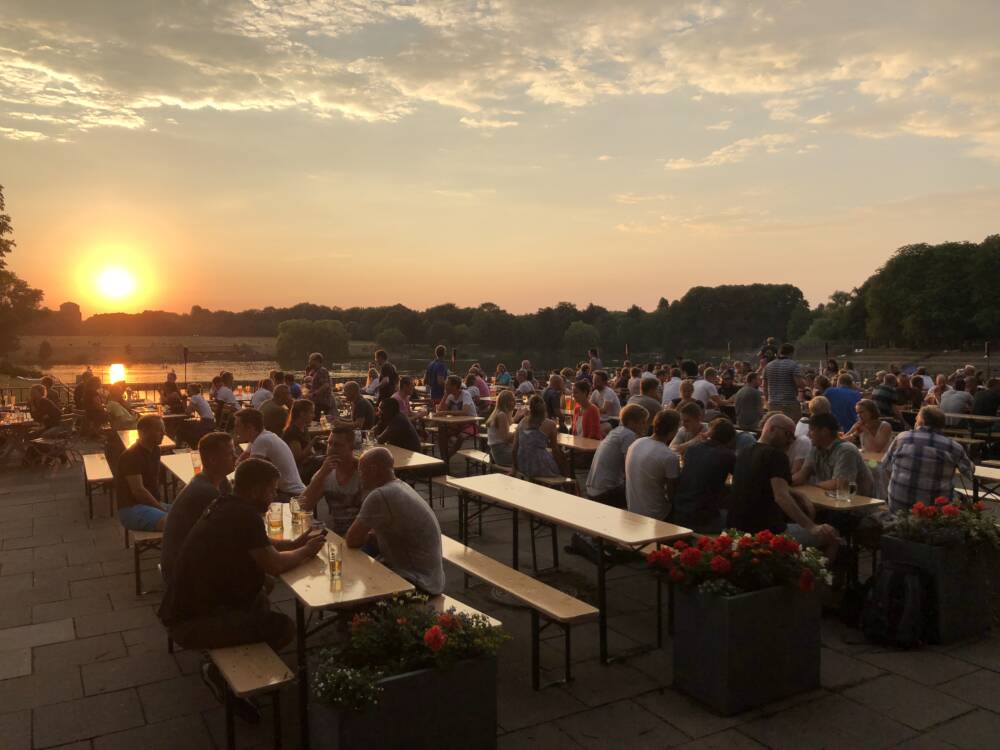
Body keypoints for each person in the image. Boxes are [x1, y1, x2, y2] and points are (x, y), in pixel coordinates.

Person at [159, 458, 325, 721]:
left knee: (259, 596)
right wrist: (305, 551)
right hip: (192, 621)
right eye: (272, 490)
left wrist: (297, 542)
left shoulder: (226, 504)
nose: (273, 496)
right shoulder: (244, 516)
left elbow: (263, 546)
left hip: (185, 606)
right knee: (284, 627)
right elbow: (274, 565)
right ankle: (220, 673)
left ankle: (239, 655)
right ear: (257, 490)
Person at [728, 414, 841, 559]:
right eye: (788, 434)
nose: (789, 441)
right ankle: (821, 577)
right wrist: (811, 527)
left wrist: (797, 493)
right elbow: (781, 497)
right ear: (772, 429)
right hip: (767, 532)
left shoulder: (744, 452)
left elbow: (765, 484)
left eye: (793, 437)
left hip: (737, 528)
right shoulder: (776, 456)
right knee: (833, 536)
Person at [346, 447, 445, 594]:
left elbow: (352, 540)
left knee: (349, 578)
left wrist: (366, 536)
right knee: (364, 556)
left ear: (373, 469)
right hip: (434, 578)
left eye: (361, 471)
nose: (359, 477)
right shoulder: (401, 486)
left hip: (419, 584)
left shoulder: (380, 495)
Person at [160, 432, 236, 584]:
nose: (235, 457)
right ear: (213, 460)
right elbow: (231, 534)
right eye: (230, 453)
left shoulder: (219, 482)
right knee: (259, 578)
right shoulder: (206, 492)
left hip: (191, 562)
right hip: (185, 574)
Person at [880, 406, 974, 514]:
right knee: (964, 501)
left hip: (898, 506)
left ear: (921, 421)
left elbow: (884, 465)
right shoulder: (954, 447)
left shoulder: (902, 438)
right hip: (934, 511)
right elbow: (970, 473)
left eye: (916, 420)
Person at [671, 417, 737, 533]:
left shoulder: (691, 450)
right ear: (730, 439)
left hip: (679, 511)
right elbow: (739, 479)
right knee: (733, 517)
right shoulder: (727, 455)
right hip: (703, 519)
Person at [792, 413, 874, 497]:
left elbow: (839, 484)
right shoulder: (816, 449)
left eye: (812, 430)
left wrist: (813, 486)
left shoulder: (846, 450)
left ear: (824, 431)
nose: (808, 434)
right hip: (833, 501)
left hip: (857, 505)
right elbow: (802, 474)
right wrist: (785, 482)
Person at [301, 426, 364, 533]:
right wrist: (321, 474)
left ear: (351, 447)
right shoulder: (325, 473)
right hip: (337, 536)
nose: (331, 448)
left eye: (338, 445)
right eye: (329, 443)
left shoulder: (363, 473)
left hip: (360, 536)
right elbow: (303, 506)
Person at [585, 404, 648, 507]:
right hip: (604, 493)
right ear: (632, 422)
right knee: (646, 491)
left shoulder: (616, 431)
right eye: (643, 422)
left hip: (592, 490)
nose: (645, 426)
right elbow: (628, 468)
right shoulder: (629, 435)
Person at [235, 408, 305, 498]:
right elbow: (243, 458)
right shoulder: (260, 437)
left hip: (289, 494)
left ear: (250, 427)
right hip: (290, 491)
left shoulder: (262, 440)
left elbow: (251, 473)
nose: (235, 430)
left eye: (237, 426)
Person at [115, 415, 169, 531]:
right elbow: (138, 491)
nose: (163, 433)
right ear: (143, 432)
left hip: (152, 505)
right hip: (131, 508)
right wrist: (160, 508)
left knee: (189, 514)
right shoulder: (131, 456)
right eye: (159, 430)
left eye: (163, 430)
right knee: (172, 523)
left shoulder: (156, 450)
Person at [625, 409, 681, 520]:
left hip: (632, 508)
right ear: (672, 432)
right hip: (656, 514)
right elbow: (672, 495)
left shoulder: (636, 443)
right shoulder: (669, 456)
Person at [512, 395, 566, 478]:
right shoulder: (550, 424)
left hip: (523, 464)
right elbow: (555, 450)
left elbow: (514, 448)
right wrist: (562, 468)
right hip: (539, 464)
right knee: (563, 460)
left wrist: (514, 468)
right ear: (544, 409)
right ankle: (568, 484)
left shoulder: (522, 421)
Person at [283, 399, 324, 482]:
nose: (313, 415)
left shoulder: (303, 428)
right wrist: (313, 442)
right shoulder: (292, 432)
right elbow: (298, 458)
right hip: (300, 470)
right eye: (311, 412)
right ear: (302, 414)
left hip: (309, 462)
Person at [761, 343, 804, 421]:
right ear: (791, 353)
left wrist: (768, 400)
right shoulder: (793, 365)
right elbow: (799, 384)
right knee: (792, 427)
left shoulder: (768, 366)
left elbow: (764, 386)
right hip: (789, 403)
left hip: (773, 403)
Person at [484, 390, 516, 466]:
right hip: (501, 453)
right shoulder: (501, 415)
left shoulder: (498, 413)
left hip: (497, 451)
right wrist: (518, 431)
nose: (514, 402)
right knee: (528, 456)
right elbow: (506, 438)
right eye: (512, 400)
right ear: (507, 402)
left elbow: (508, 425)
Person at [589, 370, 621, 435]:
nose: (594, 382)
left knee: (599, 430)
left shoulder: (608, 392)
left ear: (604, 382)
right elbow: (588, 406)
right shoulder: (595, 392)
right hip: (602, 419)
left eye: (597, 380)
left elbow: (604, 410)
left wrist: (593, 408)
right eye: (593, 379)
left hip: (613, 419)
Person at [306, 352, 334, 416]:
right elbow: (319, 385)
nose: (309, 361)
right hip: (318, 402)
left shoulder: (322, 371)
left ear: (317, 361)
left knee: (319, 420)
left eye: (311, 359)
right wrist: (310, 387)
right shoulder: (316, 371)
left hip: (322, 403)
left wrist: (314, 394)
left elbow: (325, 385)